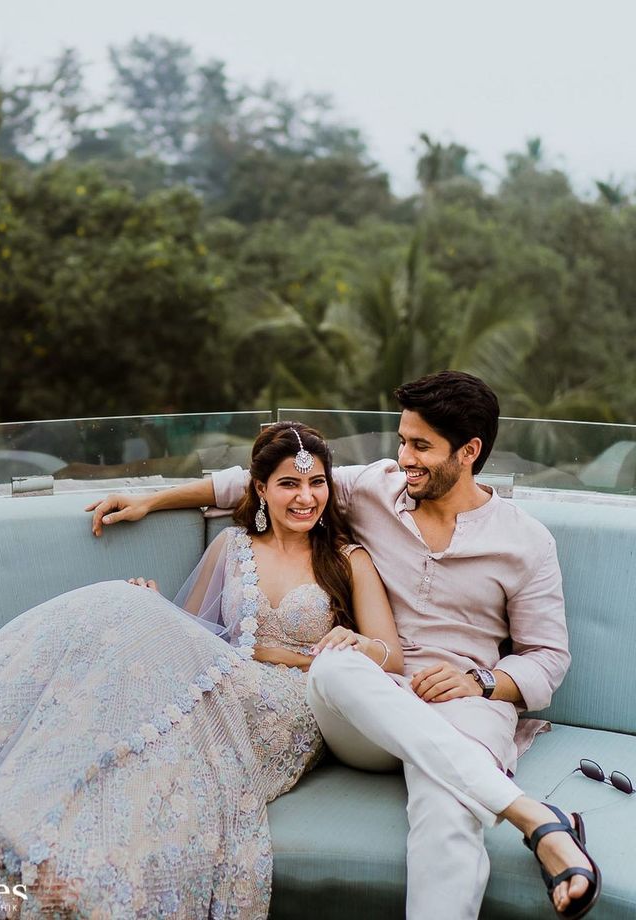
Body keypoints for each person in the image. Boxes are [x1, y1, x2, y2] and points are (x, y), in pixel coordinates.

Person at [91, 372, 601, 920]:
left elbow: (548, 659)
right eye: (402, 441)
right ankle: (531, 814)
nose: (404, 458)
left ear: (470, 451)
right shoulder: (379, 487)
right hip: (365, 708)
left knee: (448, 811)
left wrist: (480, 680)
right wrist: (150, 499)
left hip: (466, 707)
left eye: (421, 447)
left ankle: (539, 829)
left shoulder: (526, 542)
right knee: (335, 666)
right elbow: (264, 479)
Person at [0, 422, 402, 919]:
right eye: (290, 483)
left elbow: (392, 657)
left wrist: (348, 645)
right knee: (121, 608)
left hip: (289, 708)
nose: (305, 497)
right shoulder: (233, 546)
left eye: (316, 483)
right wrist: (158, 610)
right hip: (223, 682)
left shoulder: (347, 559)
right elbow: (197, 633)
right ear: (261, 489)